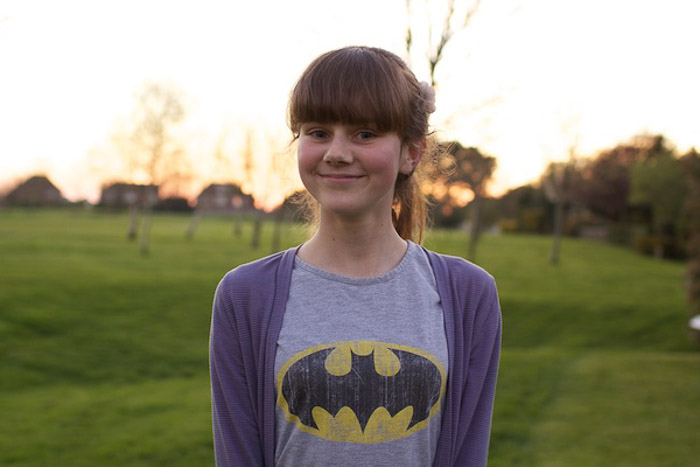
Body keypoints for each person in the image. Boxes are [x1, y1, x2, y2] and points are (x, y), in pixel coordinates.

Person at [210, 46, 501, 467]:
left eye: (365, 134)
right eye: (318, 132)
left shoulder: (468, 295)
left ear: (412, 152)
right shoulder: (245, 295)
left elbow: (468, 452)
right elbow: (237, 454)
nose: (337, 152)